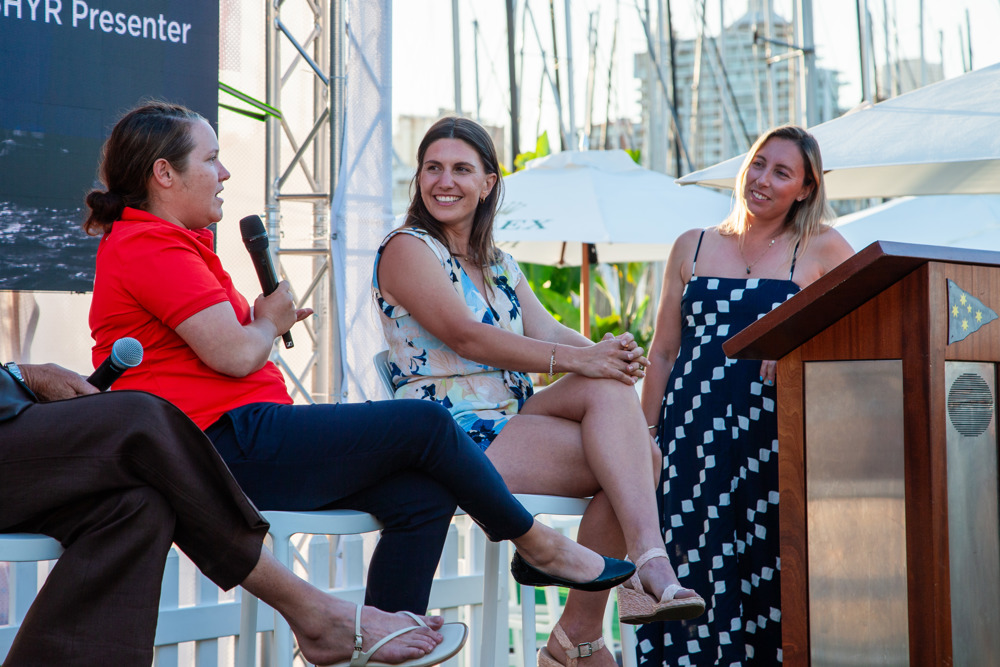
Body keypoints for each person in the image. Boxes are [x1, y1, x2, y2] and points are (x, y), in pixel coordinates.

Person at [84, 102, 633, 620]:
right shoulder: (150, 244)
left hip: (241, 436)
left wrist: (605, 358)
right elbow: (234, 355)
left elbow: (227, 348)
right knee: (424, 423)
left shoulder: (171, 242)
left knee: (423, 494)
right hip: (218, 441)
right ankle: (536, 543)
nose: (224, 172)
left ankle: (392, 635)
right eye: (210, 159)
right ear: (164, 174)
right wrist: (268, 322)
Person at [373, 116, 705, 667]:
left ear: (488, 183)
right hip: (448, 435)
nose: (445, 181)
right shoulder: (407, 249)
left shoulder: (497, 263)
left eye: (461, 169)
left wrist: (608, 354)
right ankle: (587, 631)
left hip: (514, 415)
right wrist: (584, 359)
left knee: (613, 402)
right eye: (433, 168)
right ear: (419, 177)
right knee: (639, 459)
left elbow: (547, 330)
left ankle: (612, 600)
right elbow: (466, 336)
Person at [0, 360, 463, 667]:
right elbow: (233, 351)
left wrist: (20, 374)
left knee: (140, 504)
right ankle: (312, 612)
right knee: (138, 417)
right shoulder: (147, 250)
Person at [637, 125, 855, 666]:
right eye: (758, 163)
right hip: (690, 439)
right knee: (688, 565)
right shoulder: (692, 244)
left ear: (805, 188)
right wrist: (644, 437)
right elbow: (662, 353)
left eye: (782, 172)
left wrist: (800, 347)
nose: (762, 179)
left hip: (775, 440)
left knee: (772, 567)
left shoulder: (823, 247)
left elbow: (865, 328)